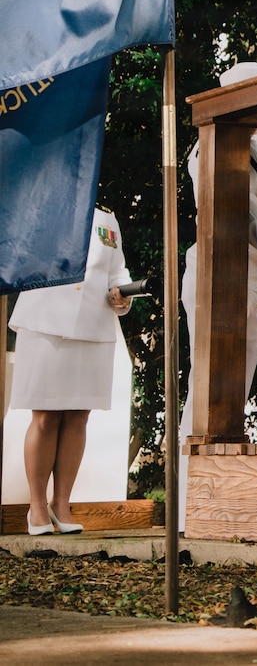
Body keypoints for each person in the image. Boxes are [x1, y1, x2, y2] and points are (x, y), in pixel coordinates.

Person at [177, 60, 257, 532]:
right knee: (208, 388)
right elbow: (237, 213)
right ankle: (190, 506)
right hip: (213, 274)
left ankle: (218, 499)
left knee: (235, 390)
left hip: (253, 277)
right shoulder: (206, 148)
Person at [8, 206, 134, 535]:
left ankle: (61, 503)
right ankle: (36, 505)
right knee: (46, 415)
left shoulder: (107, 218)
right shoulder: (41, 205)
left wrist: (123, 294)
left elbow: (116, 271)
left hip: (93, 324)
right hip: (46, 323)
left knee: (79, 415)